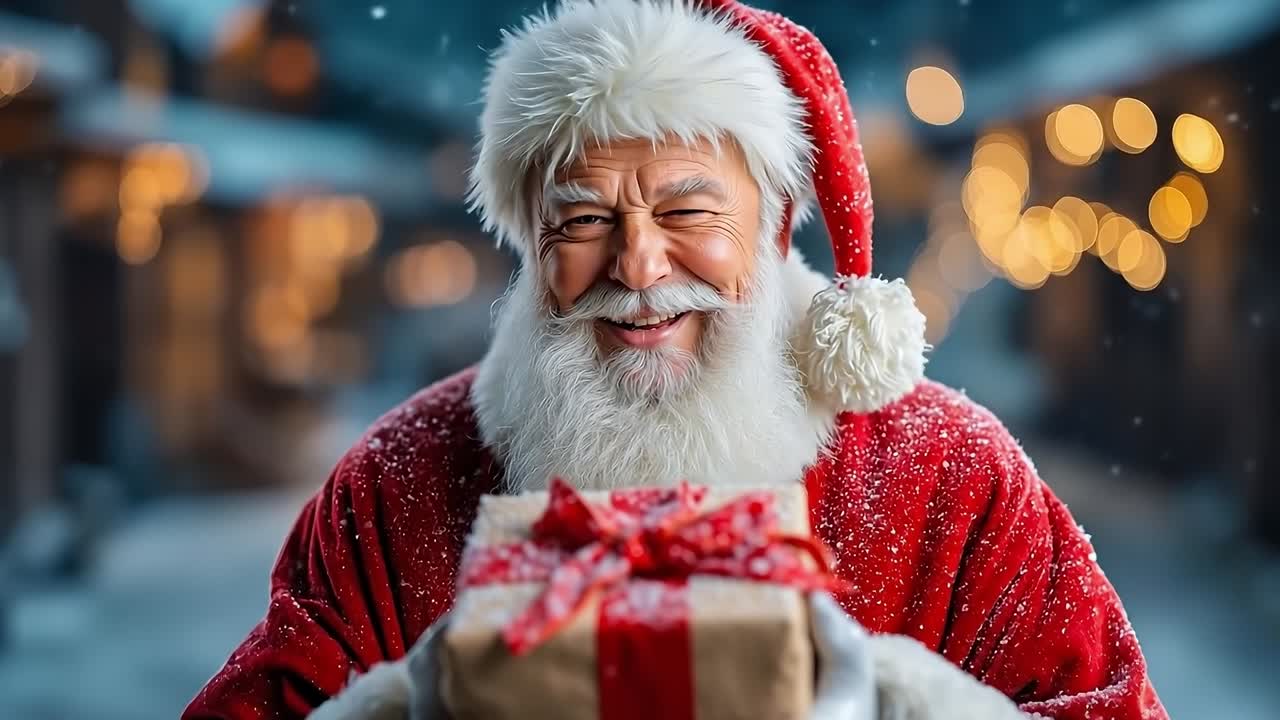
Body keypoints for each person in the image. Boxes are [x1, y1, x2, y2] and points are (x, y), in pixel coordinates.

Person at [184, 1, 1167, 718]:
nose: (638, 264)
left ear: (773, 223)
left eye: (689, 210)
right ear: (531, 240)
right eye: (582, 217)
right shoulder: (396, 487)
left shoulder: (952, 479)